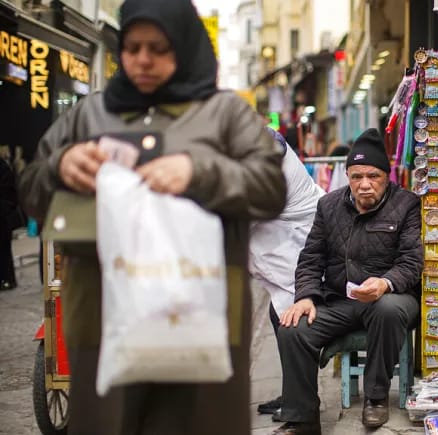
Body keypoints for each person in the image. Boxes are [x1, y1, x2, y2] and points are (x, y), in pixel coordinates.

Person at [17, 0, 287, 433]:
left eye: (158, 48)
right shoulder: (90, 114)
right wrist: (59, 166)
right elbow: (29, 190)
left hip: (199, 317)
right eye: (133, 47)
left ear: (183, 47)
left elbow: (271, 188)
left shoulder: (224, 113)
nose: (143, 59)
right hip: (104, 321)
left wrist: (198, 171)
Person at [271, 128, 422, 435]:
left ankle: (376, 398)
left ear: (386, 175)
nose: (364, 184)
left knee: (388, 309)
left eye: (373, 176)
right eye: (356, 177)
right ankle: (302, 418)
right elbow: (310, 258)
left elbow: (411, 262)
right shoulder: (328, 206)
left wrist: (384, 283)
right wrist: (305, 297)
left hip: (390, 297)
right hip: (340, 300)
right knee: (292, 327)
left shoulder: (406, 204)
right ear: (348, 176)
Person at [250, 128, 325, 419]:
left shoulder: (269, 168)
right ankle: (293, 392)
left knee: (294, 321)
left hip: (301, 244)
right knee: (276, 313)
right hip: (288, 245)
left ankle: (301, 402)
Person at [0, 147, 18, 290]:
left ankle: (7, 279)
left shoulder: (3, 168)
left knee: (4, 250)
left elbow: (10, 193)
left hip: (2, 218)